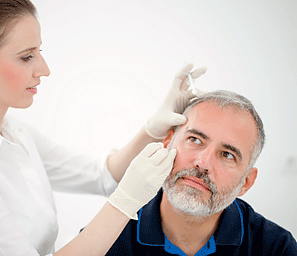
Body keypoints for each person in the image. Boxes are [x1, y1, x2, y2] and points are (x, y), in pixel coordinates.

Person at [0, 0, 207, 255]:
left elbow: (100, 175)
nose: (44, 69)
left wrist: (152, 128)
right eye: (26, 57)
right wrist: (127, 200)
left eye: (38, 51)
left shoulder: (8, 129)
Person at [105, 90, 297, 255]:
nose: (203, 163)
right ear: (167, 143)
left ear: (246, 182)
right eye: (195, 140)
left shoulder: (276, 247)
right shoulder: (110, 233)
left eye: (227, 155)